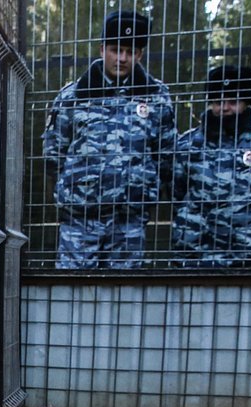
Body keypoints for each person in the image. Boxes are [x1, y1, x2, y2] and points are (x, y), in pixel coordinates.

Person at [42, 10, 176, 269]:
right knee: (72, 294)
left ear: (139, 54)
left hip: (129, 219)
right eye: (116, 50)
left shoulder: (156, 96)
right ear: (103, 50)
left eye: (130, 51)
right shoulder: (73, 96)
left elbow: (166, 153)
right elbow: (53, 152)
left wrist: (144, 188)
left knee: (123, 297)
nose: (122, 58)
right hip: (80, 218)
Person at [171, 65, 251, 268]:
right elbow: (176, 191)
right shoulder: (188, 143)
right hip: (196, 252)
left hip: (248, 251)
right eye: (218, 101)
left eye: (233, 101)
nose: (224, 107)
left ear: (247, 103)